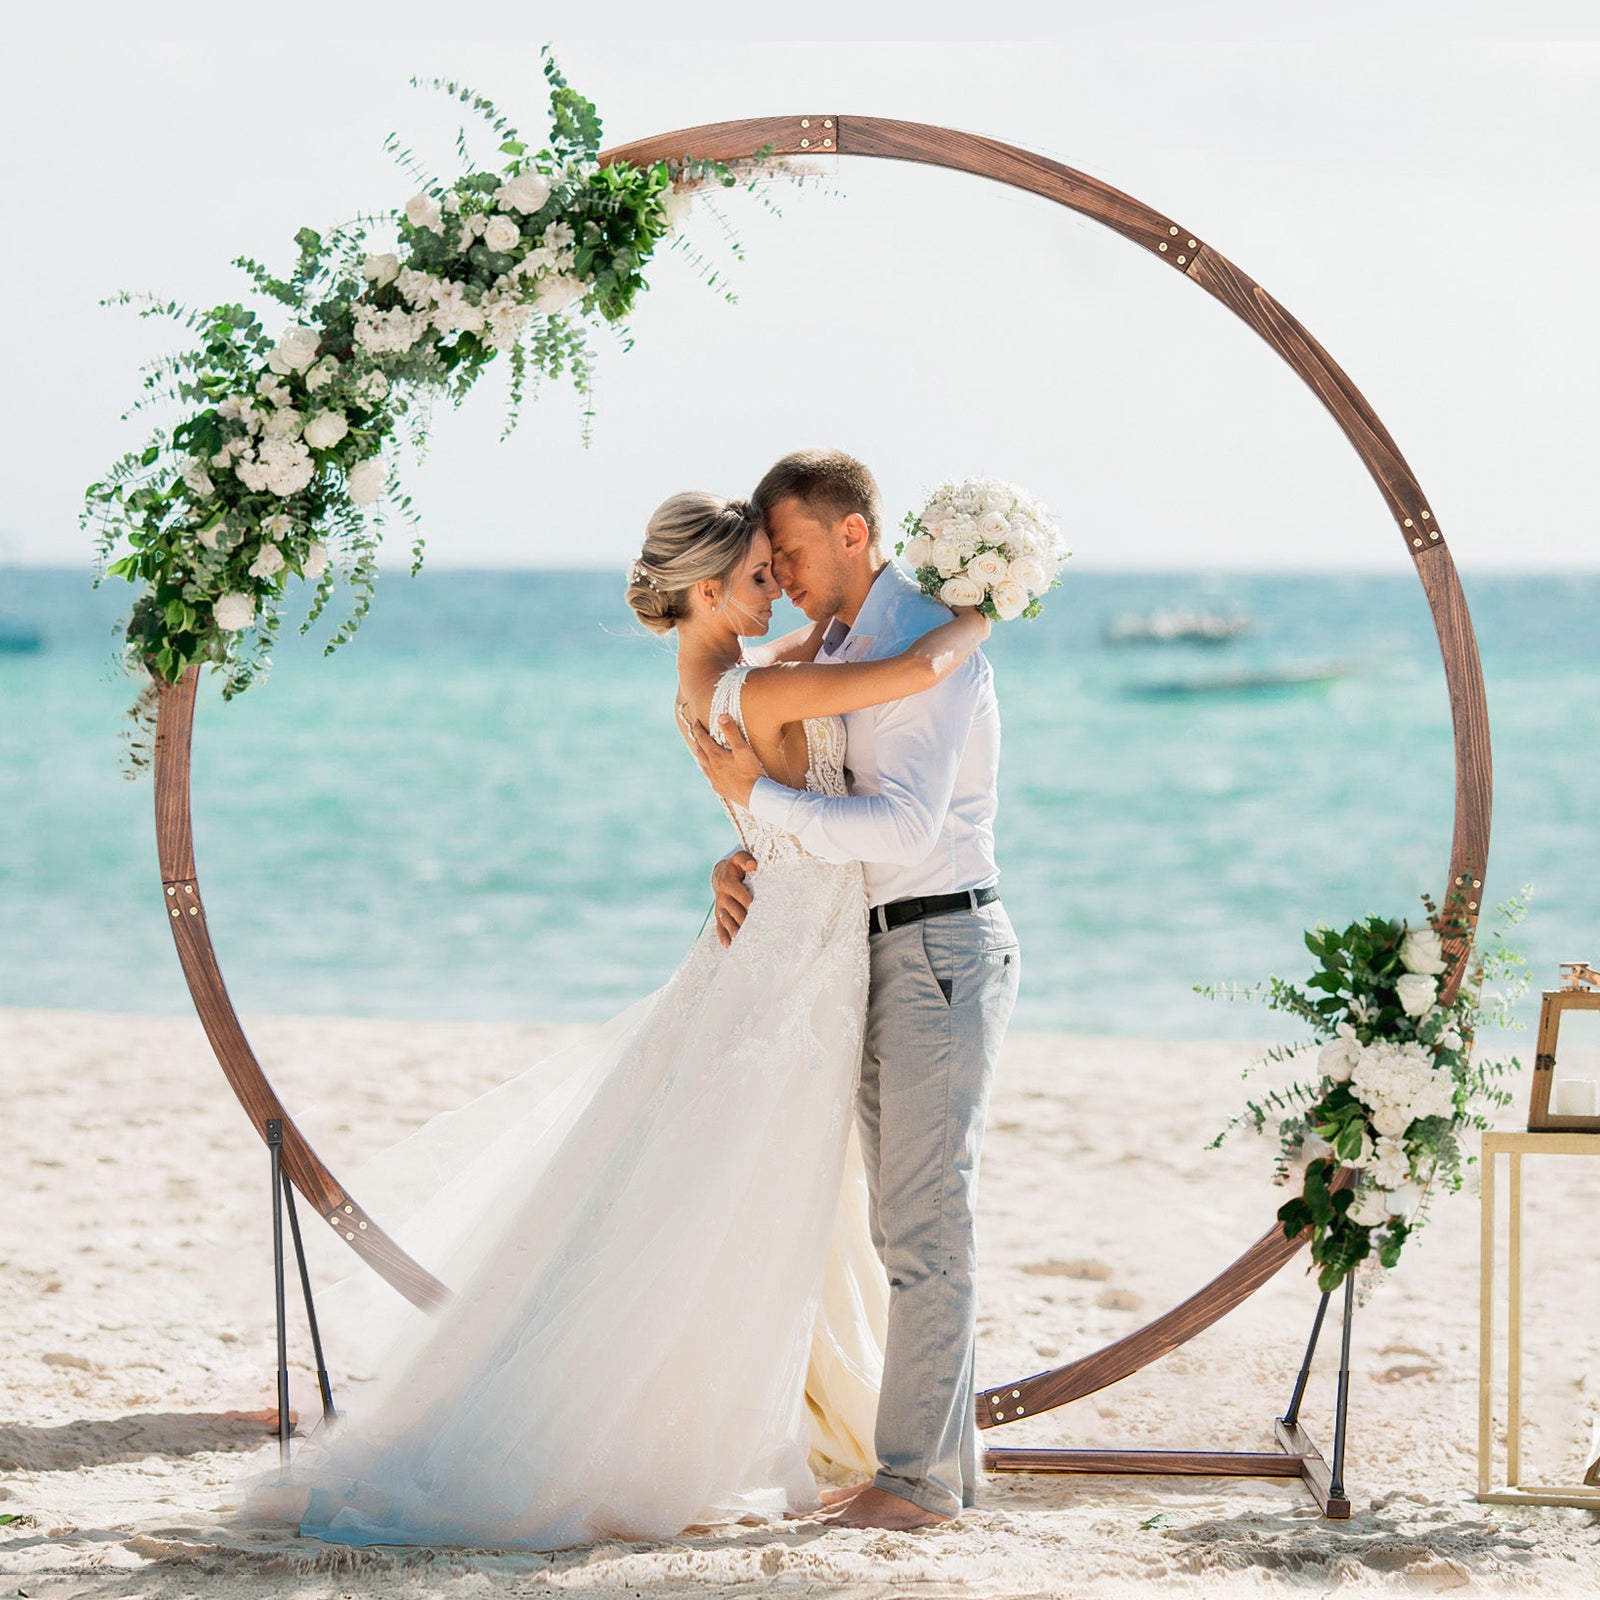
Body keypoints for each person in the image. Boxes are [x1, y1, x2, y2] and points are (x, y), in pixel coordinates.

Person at [287, 490, 990, 1550]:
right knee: (734, 1198)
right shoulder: (755, 687)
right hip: (800, 962)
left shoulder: (701, 681)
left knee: (726, 1191)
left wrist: (742, 850)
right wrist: (978, 617)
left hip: (790, 947)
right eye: (760, 574)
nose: (779, 589)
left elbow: (792, 731)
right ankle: (774, 1442)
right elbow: (910, 671)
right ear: (709, 590)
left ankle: (886, 1445)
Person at [687, 449, 1019, 1531]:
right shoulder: (840, 645)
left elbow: (904, 829)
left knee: (927, 1225)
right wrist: (749, 848)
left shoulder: (922, 648)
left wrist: (764, 809)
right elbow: (788, 759)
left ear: (850, 534)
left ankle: (915, 1483)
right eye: (765, 559)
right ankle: (941, 1469)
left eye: (786, 550)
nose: (776, 573)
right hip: (873, 947)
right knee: (902, 1225)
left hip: (937, 946)